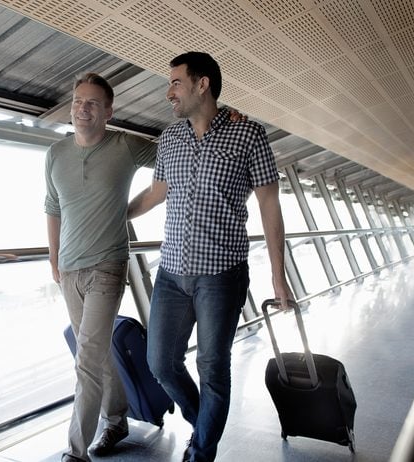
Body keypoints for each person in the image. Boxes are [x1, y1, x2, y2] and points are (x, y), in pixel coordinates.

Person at [127, 51, 294, 462]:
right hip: (172, 273)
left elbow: (269, 205)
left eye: (176, 83)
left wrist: (278, 275)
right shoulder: (170, 139)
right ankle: (204, 423)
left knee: (212, 367)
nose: (169, 92)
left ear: (202, 84)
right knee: (160, 363)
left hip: (222, 275)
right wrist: (117, 214)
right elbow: (156, 193)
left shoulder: (248, 134)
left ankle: (200, 454)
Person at [44, 73, 157, 462]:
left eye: (92, 102)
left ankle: (76, 452)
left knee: (87, 358)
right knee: (94, 351)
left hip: (108, 265)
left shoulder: (125, 146)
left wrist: (136, 206)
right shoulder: (56, 154)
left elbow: (175, 156)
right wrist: (53, 258)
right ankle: (116, 420)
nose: (83, 108)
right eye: (78, 100)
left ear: (108, 111)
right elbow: (53, 207)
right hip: (69, 269)